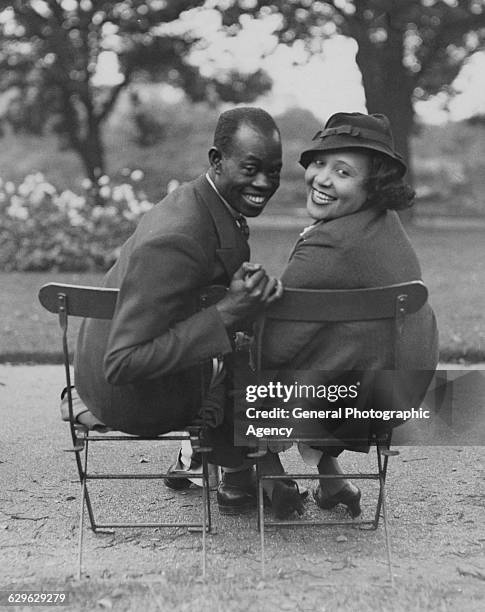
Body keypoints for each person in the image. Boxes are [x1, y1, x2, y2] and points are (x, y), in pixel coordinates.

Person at [73, 107, 285, 514]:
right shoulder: (178, 237)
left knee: (252, 349)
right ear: (216, 161)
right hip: (132, 399)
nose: (264, 183)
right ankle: (249, 472)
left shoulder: (207, 204)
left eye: (273, 172)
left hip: (149, 373)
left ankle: (223, 465)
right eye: (252, 168)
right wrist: (226, 312)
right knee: (256, 358)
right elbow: (122, 363)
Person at [259, 112, 439, 518]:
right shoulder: (384, 225)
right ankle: (332, 480)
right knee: (332, 352)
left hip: (348, 404)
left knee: (228, 359)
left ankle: (264, 477)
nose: (322, 179)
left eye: (343, 172)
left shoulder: (326, 247)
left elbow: (274, 346)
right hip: (399, 393)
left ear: (372, 186)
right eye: (319, 163)